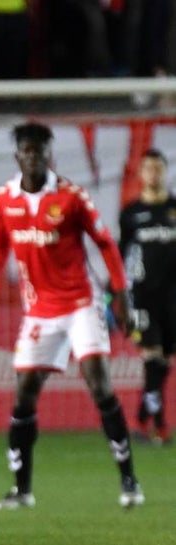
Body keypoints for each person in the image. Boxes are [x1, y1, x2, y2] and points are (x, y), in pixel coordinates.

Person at [0, 121, 144, 510]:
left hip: (81, 303)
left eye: (40, 152)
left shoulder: (71, 197)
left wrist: (120, 294)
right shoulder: (4, 200)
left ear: (48, 156)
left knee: (98, 384)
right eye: (27, 151)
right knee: (24, 392)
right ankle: (21, 490)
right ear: (18, 156)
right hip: (40, 310)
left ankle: (129, 480)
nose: (33, 157)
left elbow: (106, 244)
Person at [118, 148, 176, 446]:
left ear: (165, 172)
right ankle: (159, 425)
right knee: (152, 358)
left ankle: (142, 419)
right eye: (148, 168)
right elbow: (119, 255)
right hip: (142, 296)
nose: (153, 173)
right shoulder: (131, 214)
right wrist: (115, 296)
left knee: (163, 362)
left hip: (172, 298)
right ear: (140, 175)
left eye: (158, 168)